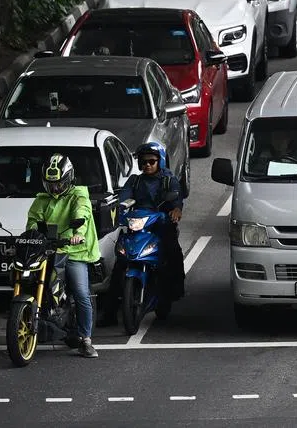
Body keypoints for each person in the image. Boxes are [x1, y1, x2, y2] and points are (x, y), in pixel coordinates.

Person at [100, 141, 185, 326]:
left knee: (173, 255)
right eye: (144, 162)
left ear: (160, 162)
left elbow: (177, 199)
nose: (147, 165)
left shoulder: (169, 180)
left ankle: (173, 293)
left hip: (161, 227)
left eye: (151, 161)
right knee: (120, 264)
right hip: (137, 227)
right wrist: (117, 210)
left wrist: (176, 210)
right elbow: (123, 199)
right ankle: (109, 313)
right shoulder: (135, 181)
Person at [25, 153, 100, 358]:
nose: (55, 188)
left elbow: (82, 215)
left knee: (81, 294)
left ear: (69, 180)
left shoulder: (79, 196)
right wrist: (32, 234)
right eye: (51, 184)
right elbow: (33, 221)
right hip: (49, 250)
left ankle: (86, 340)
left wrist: (78, 234)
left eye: (59, 183)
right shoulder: (42, 200)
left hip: (74, 252)